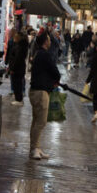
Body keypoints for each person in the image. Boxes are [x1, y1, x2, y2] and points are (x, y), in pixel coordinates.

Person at [28, 32, 61, 160]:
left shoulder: (38, 54)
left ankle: (35, 147)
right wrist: (55, 79)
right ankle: (34, 149)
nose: (50, 41)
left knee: (36, 121)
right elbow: (55, 71)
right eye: (49, 39)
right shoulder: (45, 55)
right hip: (41, 92)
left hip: (36, 90)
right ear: (45, 42)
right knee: (41, 122)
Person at [8, 31, 29, 106]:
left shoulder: (21, 47)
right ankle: (18, 98)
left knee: (17, 84)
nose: (14, 38)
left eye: (15, 37)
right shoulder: (20, 46)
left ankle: (19, 99)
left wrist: (13, 69)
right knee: (17, 83)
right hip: (18, 68)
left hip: (17, 69)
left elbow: (18, 59)